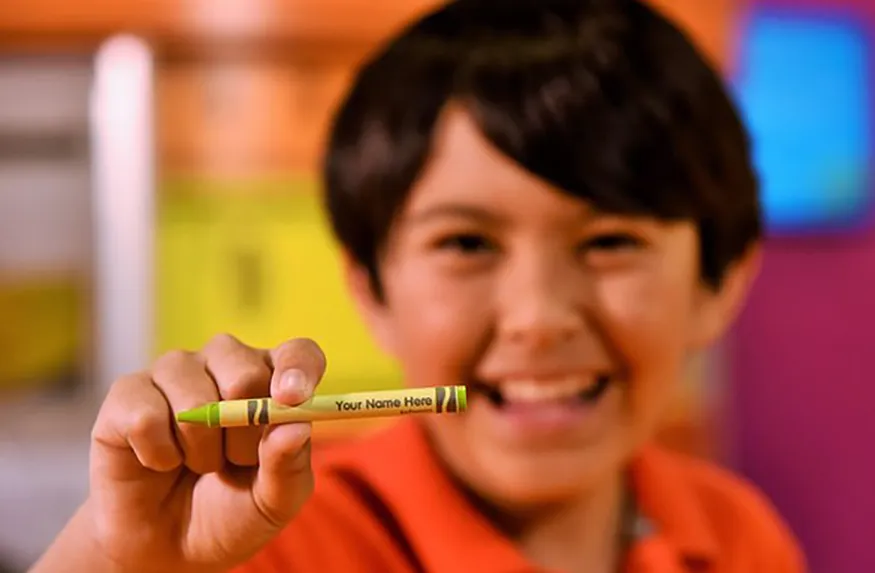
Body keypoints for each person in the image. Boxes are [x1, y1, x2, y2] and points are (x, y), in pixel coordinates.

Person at [31, 1, 805, 571]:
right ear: (370, 289)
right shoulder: (266, 538)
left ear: (719, 281)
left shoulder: (735, 535)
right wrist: (118, 556)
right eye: (466, 242)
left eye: (610, 242)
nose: (537, 317)